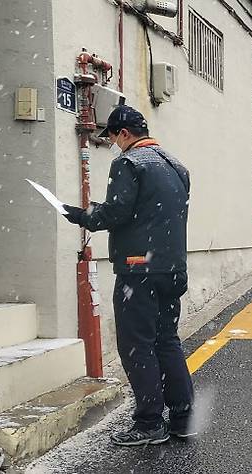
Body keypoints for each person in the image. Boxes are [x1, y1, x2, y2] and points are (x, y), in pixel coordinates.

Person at [62, 105, 195, 446]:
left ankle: (149, 423)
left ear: (124, 134)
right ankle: (182, 417)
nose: (113, 144)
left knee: (137, 345)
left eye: (113, 137)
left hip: (139, 270)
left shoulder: (128, 163)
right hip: (172, 269)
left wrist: (83, 215)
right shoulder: (177, 165)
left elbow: (118, 212)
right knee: (167, 340)